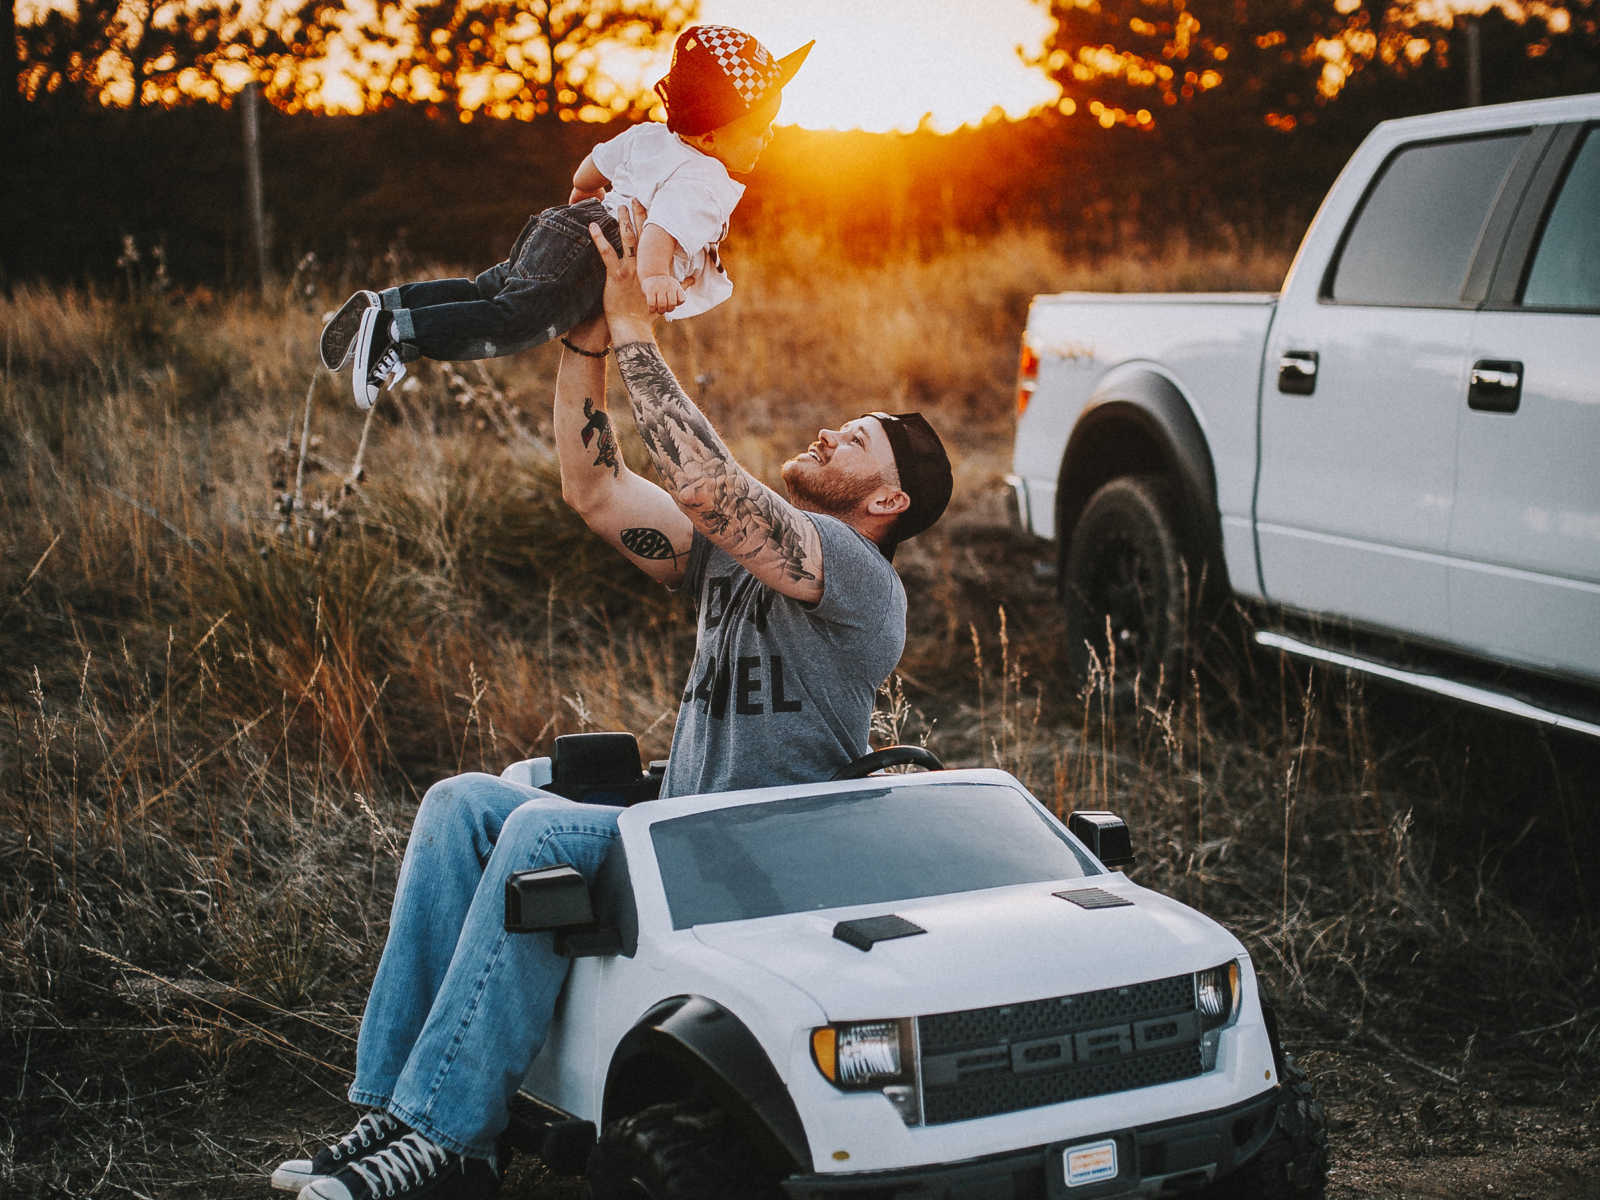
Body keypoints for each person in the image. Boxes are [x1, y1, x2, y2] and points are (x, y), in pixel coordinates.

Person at [269, 201, 952, 1200]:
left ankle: (450, 1139)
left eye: (851, 443)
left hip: (753, 860)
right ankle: (392, 1111)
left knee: (545, 839)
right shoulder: (732, 556)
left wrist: (637, 328)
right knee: (463, 804)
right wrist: (586, 338)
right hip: (674, 832)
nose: (825, 435)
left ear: (884, 502)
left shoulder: (856, 576)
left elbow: (712, 483)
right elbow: (594, 486)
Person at [321, 24, 813, 410]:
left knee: (485, 290)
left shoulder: (648, 137)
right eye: (759, 129)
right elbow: (660, 230)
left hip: (565, 221)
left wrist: (580, 197)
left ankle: (385, 303)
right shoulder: (706, 179)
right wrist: (656, 277)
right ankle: (396, 333)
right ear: (709, 138)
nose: (769, 137)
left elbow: (592, 165)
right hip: (593, 253)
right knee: (513, 321)